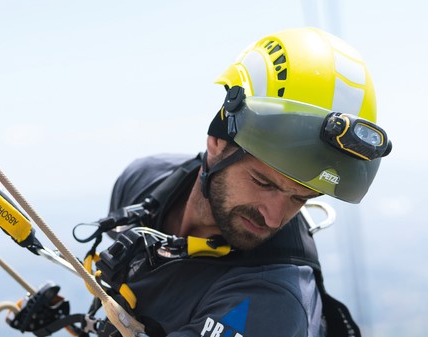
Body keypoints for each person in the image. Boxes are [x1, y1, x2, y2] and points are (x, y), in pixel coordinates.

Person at [89, 27, 391, 337]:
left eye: (299, 199)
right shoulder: (142, 180)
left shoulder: (273, 304)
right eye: (263, 182)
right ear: (218, 141)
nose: (274, 218)